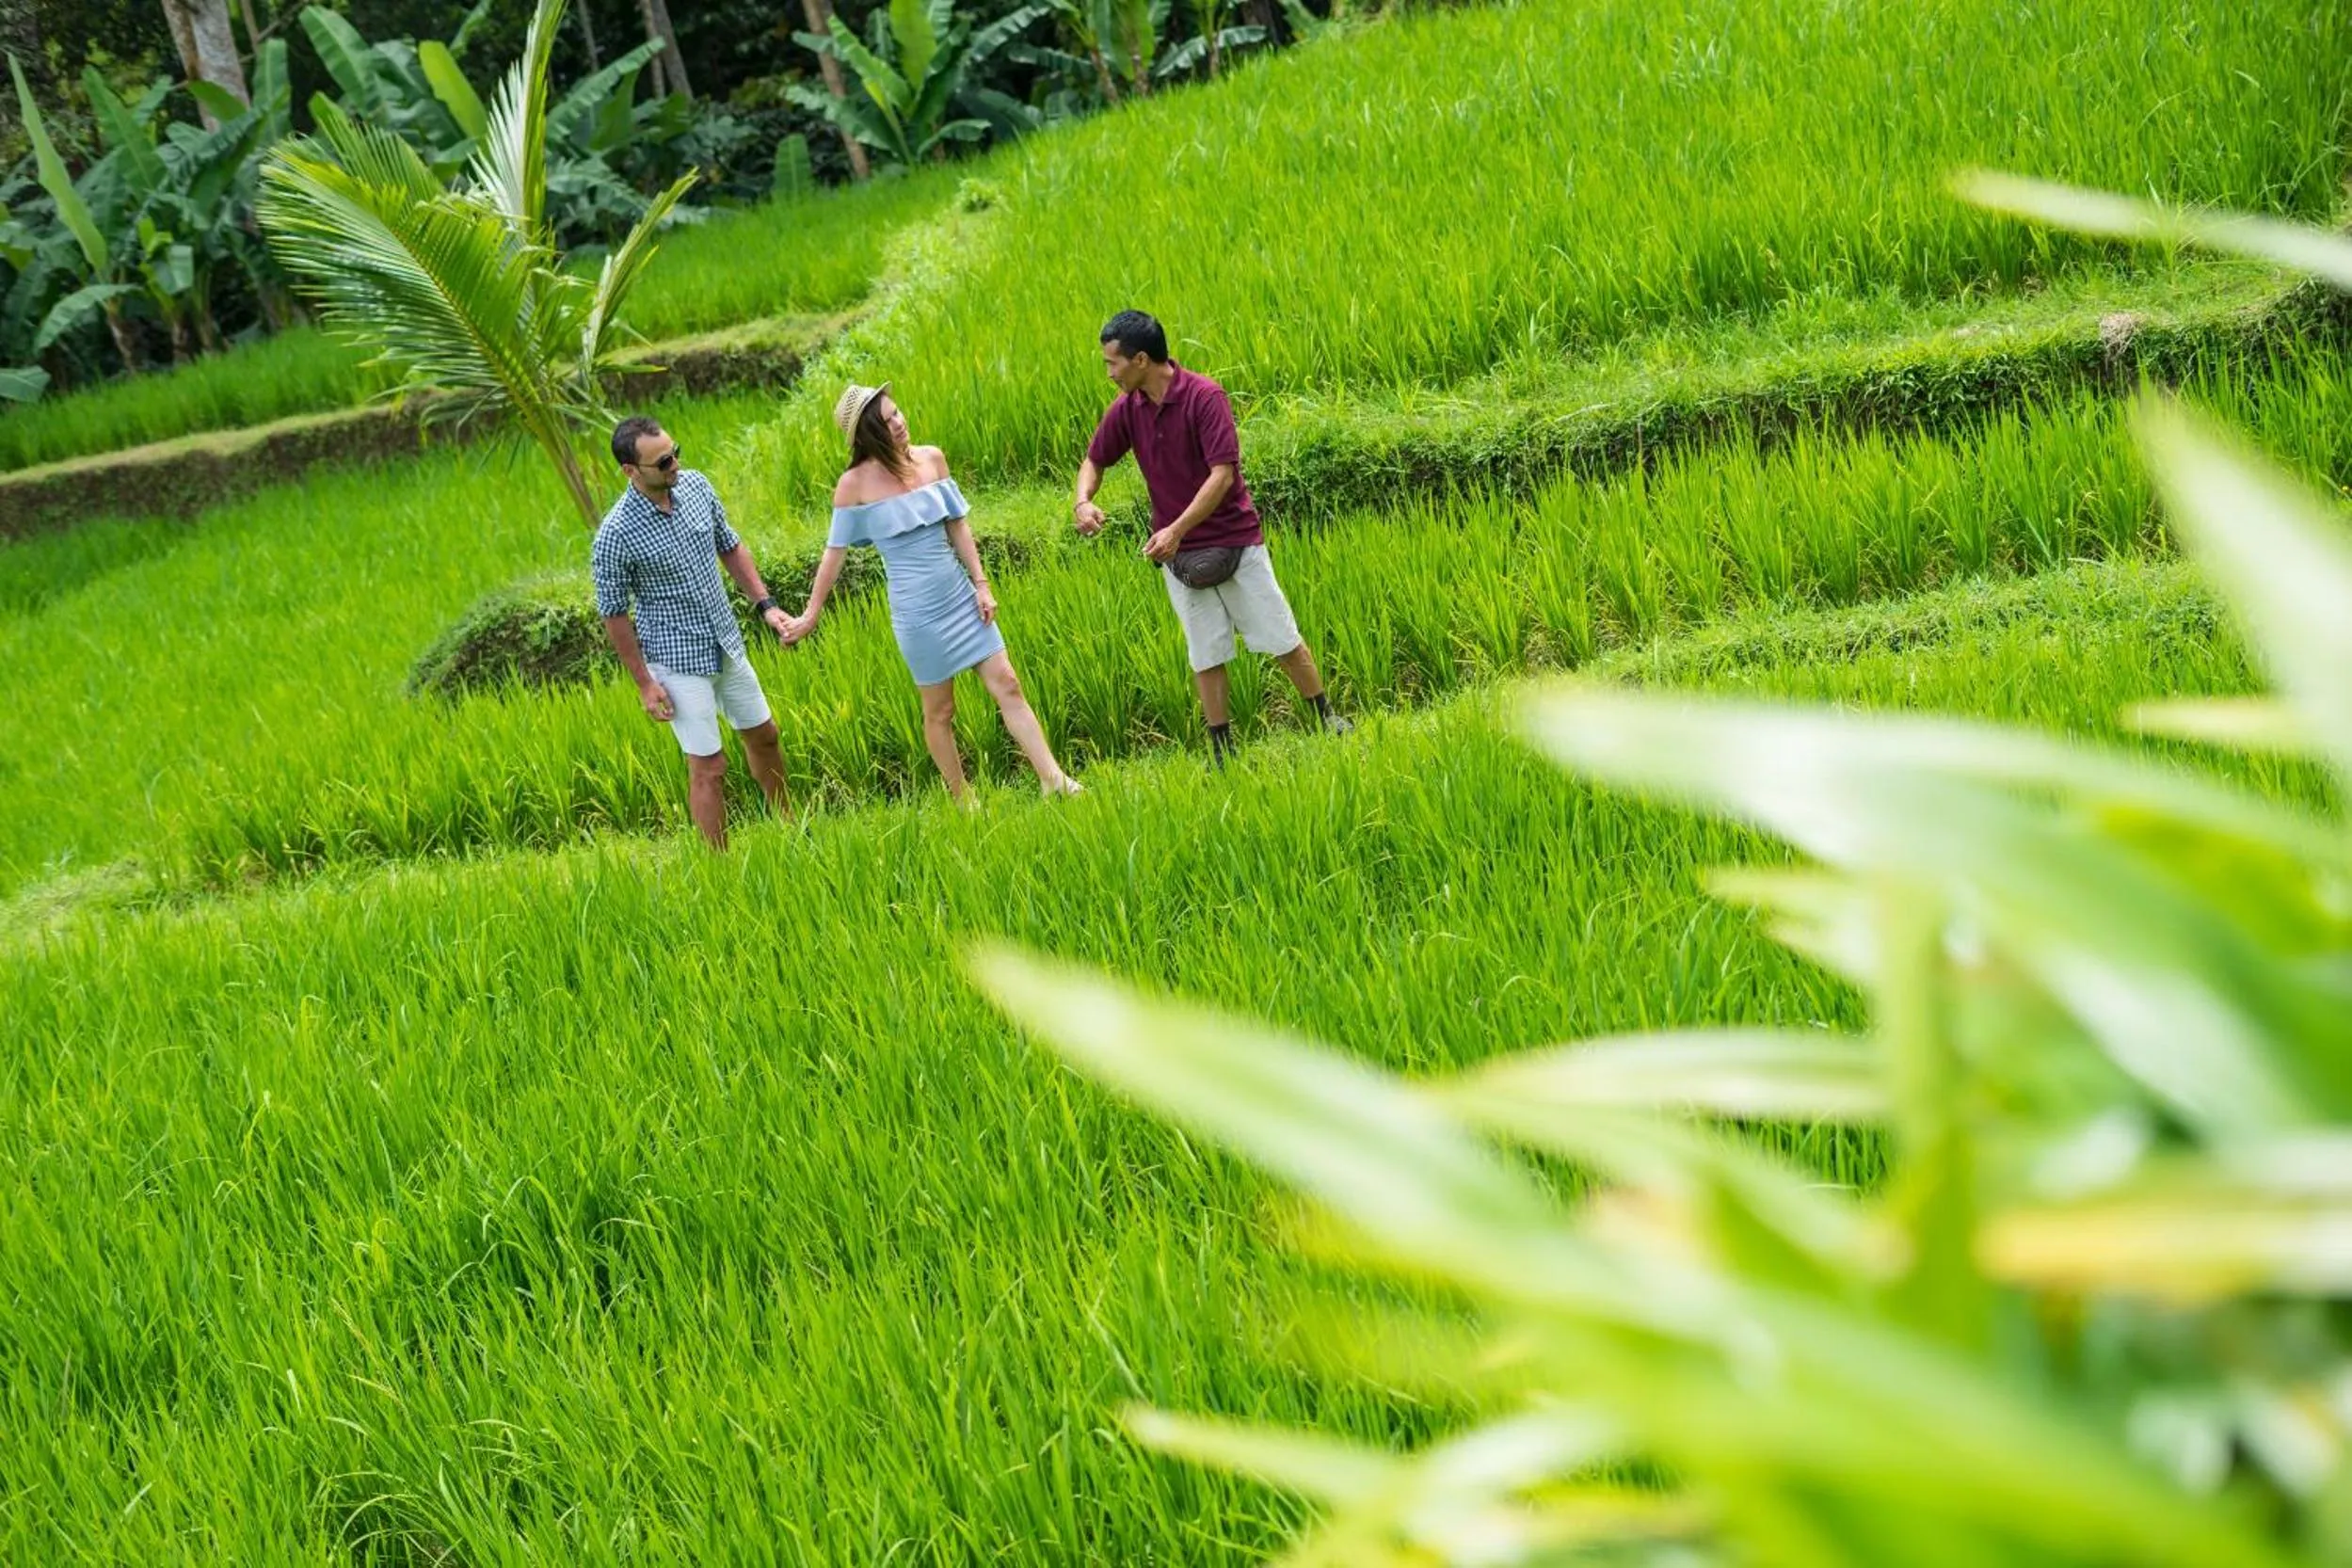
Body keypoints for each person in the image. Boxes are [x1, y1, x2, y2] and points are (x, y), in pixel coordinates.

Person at [1071, 309, 1350, 764]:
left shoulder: (1205, 397)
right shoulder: (1128, 409)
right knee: (1206, 652)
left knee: (1281, 636)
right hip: (1178, 555)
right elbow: (1095, 459)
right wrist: (1083, 501)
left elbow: (1222, 476)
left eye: (1112, 363)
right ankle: (1222, 751)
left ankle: (1327, 717)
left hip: (1234, 540)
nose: (1109, 373)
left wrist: (1176, 530)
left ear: (1140, 360)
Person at [780, 384, 1082, 802]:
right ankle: (963, 799)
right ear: (869, 435)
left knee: (1009, 683)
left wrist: (981, 585)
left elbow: (957, 524)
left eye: (897, 413)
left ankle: (1054, 779)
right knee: (940, 711)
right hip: (917, 616)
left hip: (959, 596)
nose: (899, 423)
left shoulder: (932, 459)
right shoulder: (853, 485)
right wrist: (811, 614)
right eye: (887, 421)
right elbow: (835, 554)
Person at [592, 414, 792, 850]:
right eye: (663, 462)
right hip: (677, 661)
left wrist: (766, 605)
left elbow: (730, 545)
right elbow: (614, 613)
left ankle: (792, 828)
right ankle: (718, 866)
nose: (675, 465)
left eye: (675, 453)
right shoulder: (615, 534)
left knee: (765, 736)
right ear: (630, 471)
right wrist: (645, 684)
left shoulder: (697, 487)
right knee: (709, 767)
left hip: (725, 641)